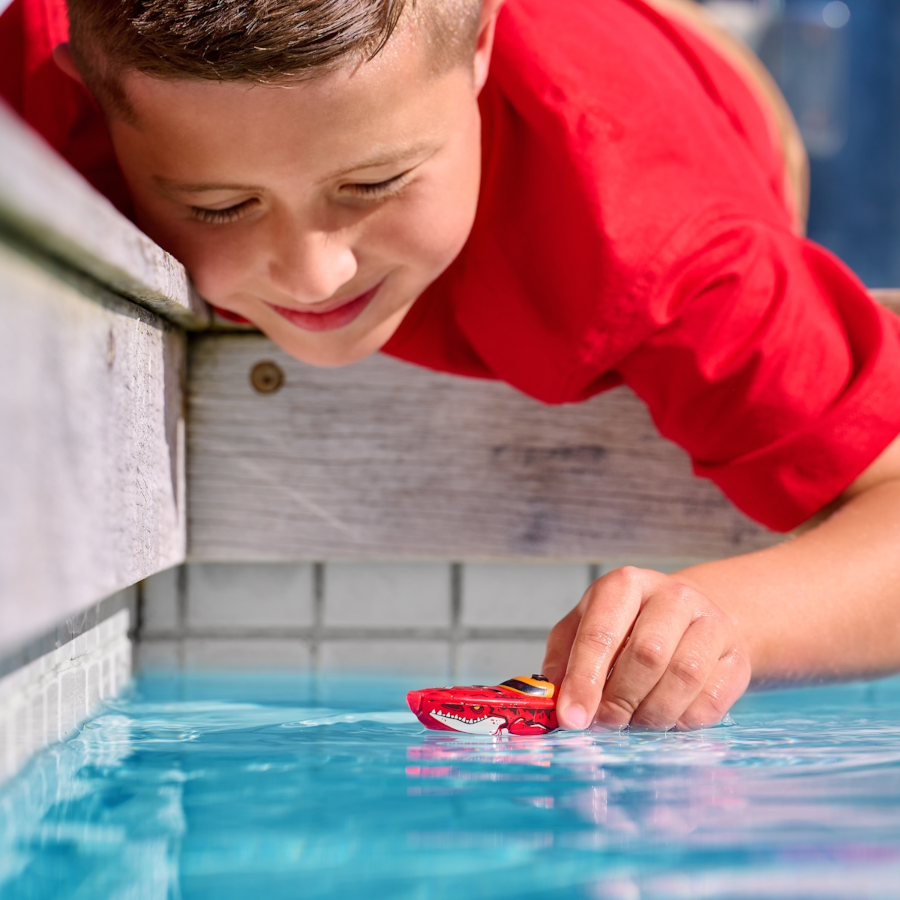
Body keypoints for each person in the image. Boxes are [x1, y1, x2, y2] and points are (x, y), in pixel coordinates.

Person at [3, 0, 898, 733]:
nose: (319, 275)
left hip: (701, 92)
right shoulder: (51, 61)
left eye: (373, 186)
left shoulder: (660, 248)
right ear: (90, 92)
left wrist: (728, 616)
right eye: (220, 204)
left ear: (478, 48)